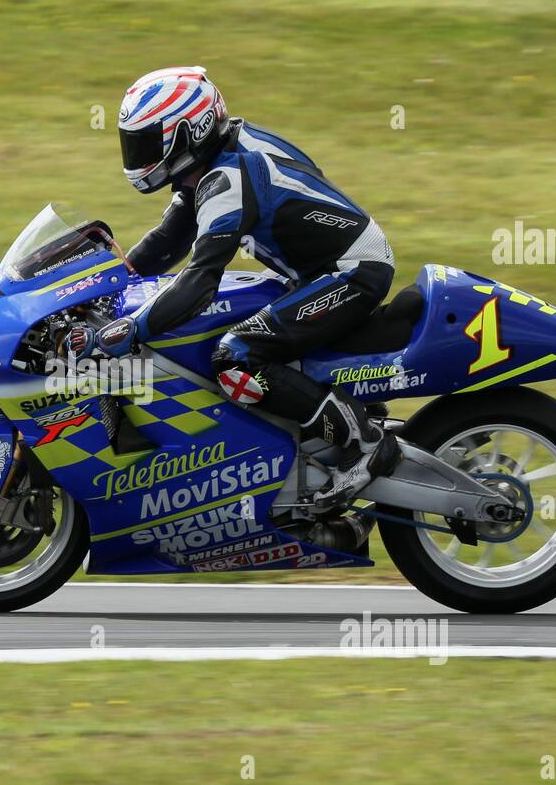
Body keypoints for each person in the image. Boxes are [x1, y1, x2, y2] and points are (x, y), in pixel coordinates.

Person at [69, 66, 400, 508]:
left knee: (235, 356)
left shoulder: (228, 178)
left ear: (191, 130)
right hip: (322, 271)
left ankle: (365, 444)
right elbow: (169, 239)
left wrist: (129, 330)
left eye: (147, 142)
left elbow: (200, 280)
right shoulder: (213, 164)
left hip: (351, 273)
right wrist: (101, 282)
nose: (138, 155)